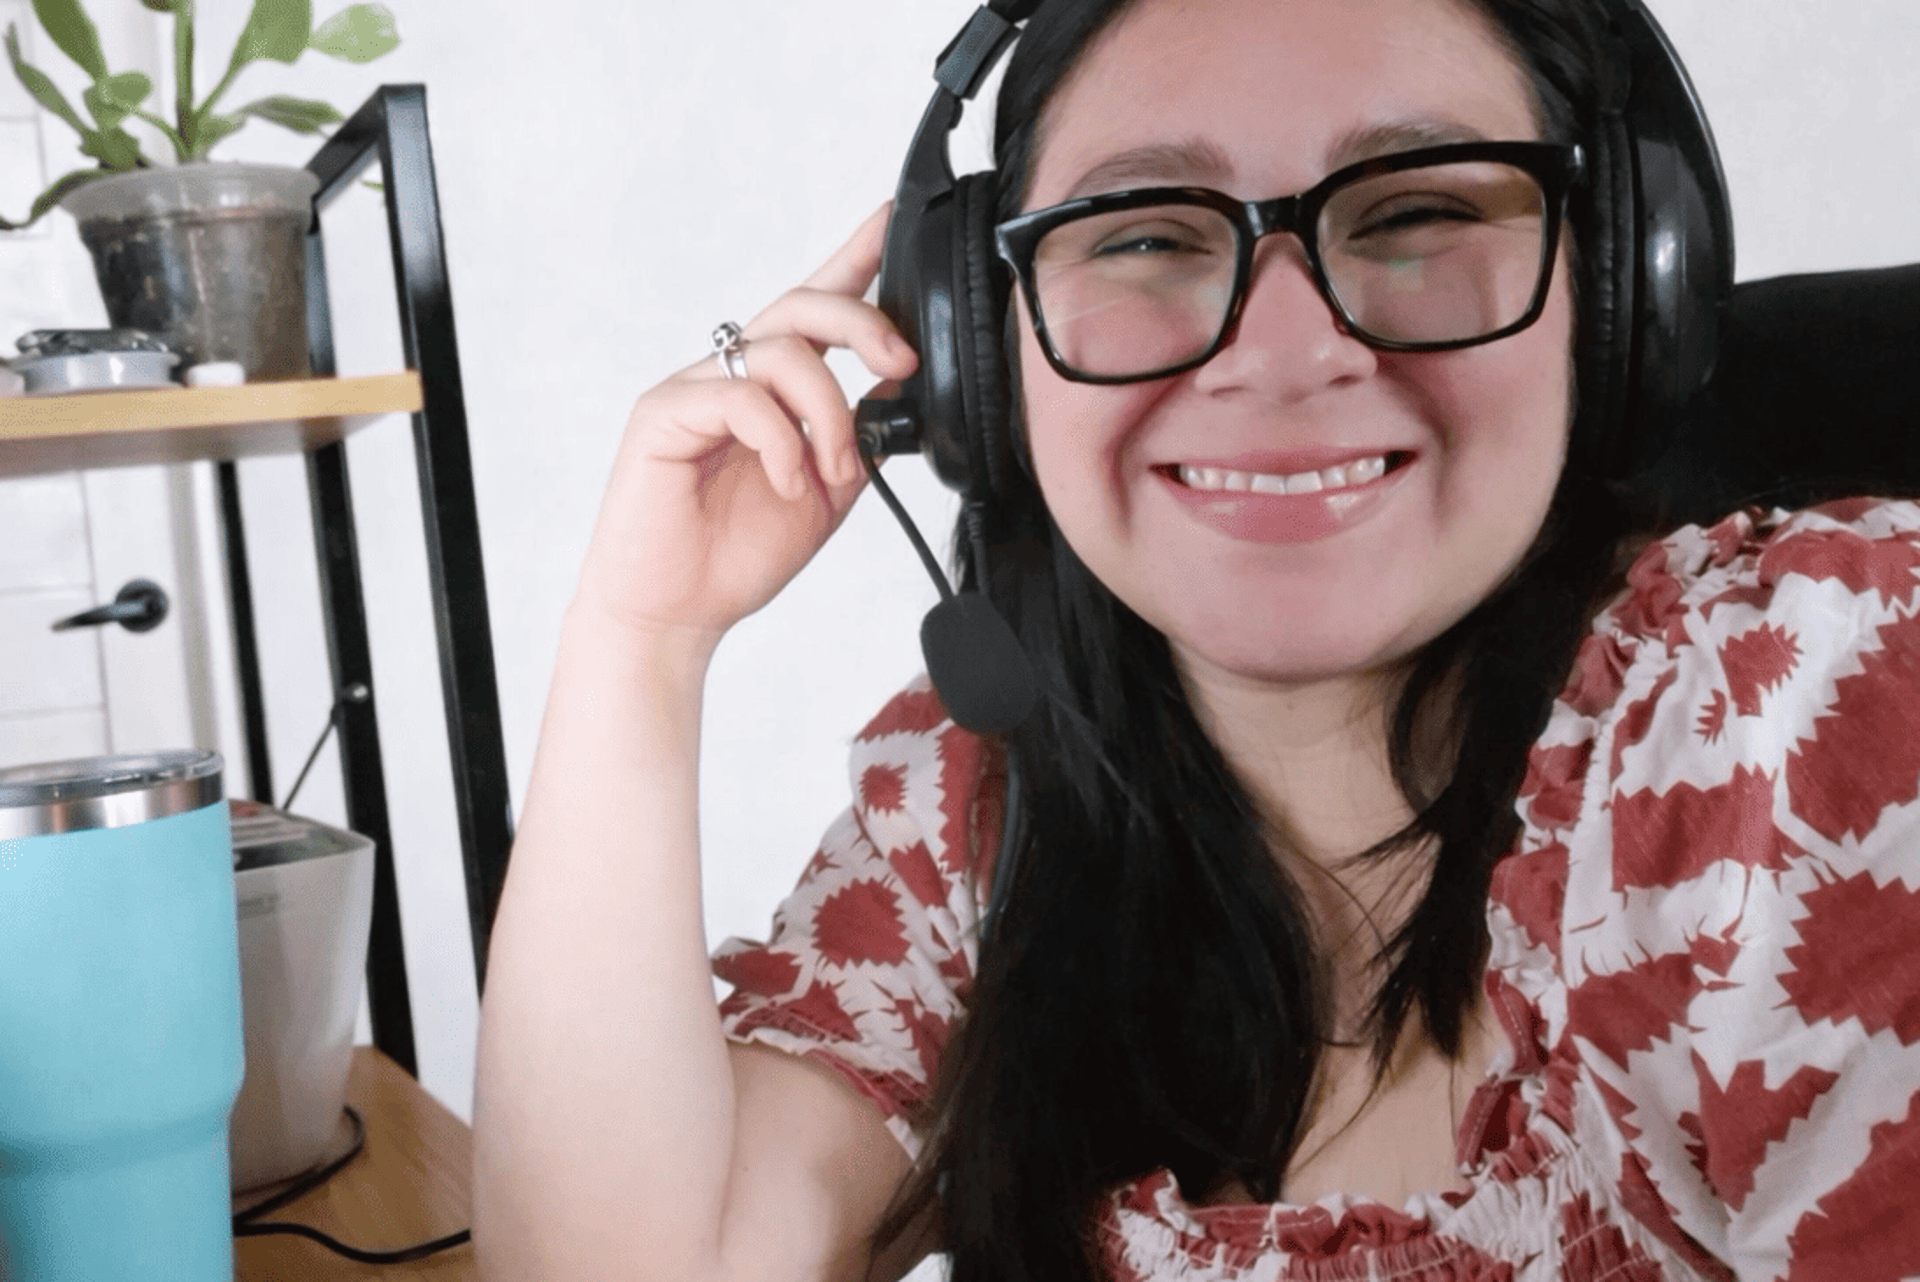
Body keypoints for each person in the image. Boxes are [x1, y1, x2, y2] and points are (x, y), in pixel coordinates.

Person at [470, 0, 1920, 1277]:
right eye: (1150, 235)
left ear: (1621, 293)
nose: (1287, 356)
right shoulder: (985, 799)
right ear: (984, 349)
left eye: (1415, 213)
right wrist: (643, 635)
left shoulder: (1807, 715)